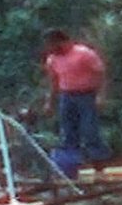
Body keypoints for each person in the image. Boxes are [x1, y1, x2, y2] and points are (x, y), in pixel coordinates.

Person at [40, 29, 111, 177]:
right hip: (66, 96)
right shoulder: (52, 59)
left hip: (86, 95)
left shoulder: (84, 54)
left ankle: (99, 166)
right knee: (68, 133)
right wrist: (50, 102)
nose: (51, 48)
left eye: (52, 44)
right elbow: (53, 82)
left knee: (90, 130)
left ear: (61, 42)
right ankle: (71, 169)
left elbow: (101, 74)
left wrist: (101, 95)